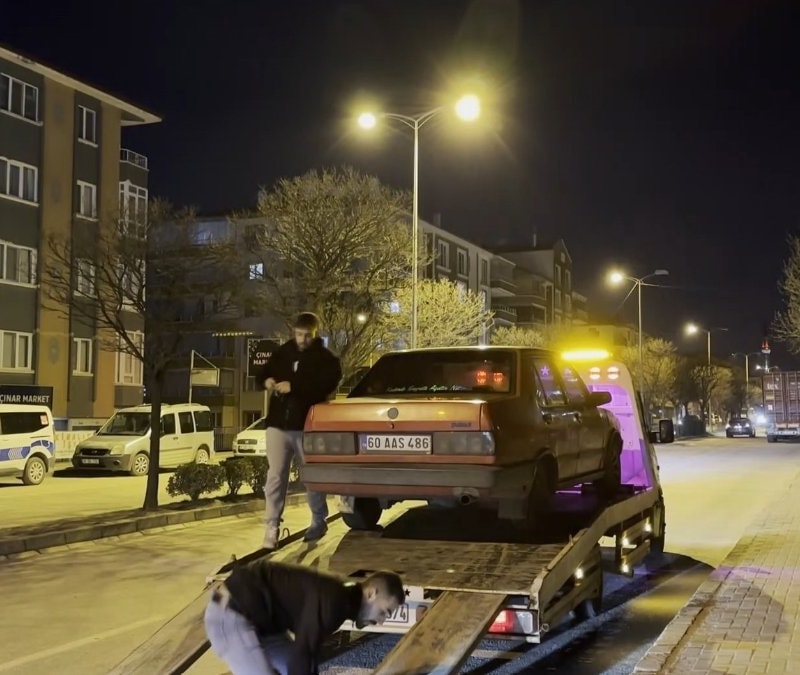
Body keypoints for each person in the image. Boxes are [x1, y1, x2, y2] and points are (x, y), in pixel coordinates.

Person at [204, 560, 405, 675]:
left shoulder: (341, 598)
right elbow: (302, 654)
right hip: (231, 617)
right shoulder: (335, 601)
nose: (380, 622)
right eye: (383, 612)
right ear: (371, 593)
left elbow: (306, 657)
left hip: (263, 625)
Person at [255, 312, 342, 549]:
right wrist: (266, 381)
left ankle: (318, 520)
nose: (302, 339)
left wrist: (294, 386)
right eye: (298, 334)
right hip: (278, 424)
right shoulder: (283, 352)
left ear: (315, 334)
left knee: (311, 476)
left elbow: (326, 385)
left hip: (307, 425)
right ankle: (272, 526)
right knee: (275, 476)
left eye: (307, 335)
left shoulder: (326, 359)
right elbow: (262, 373)